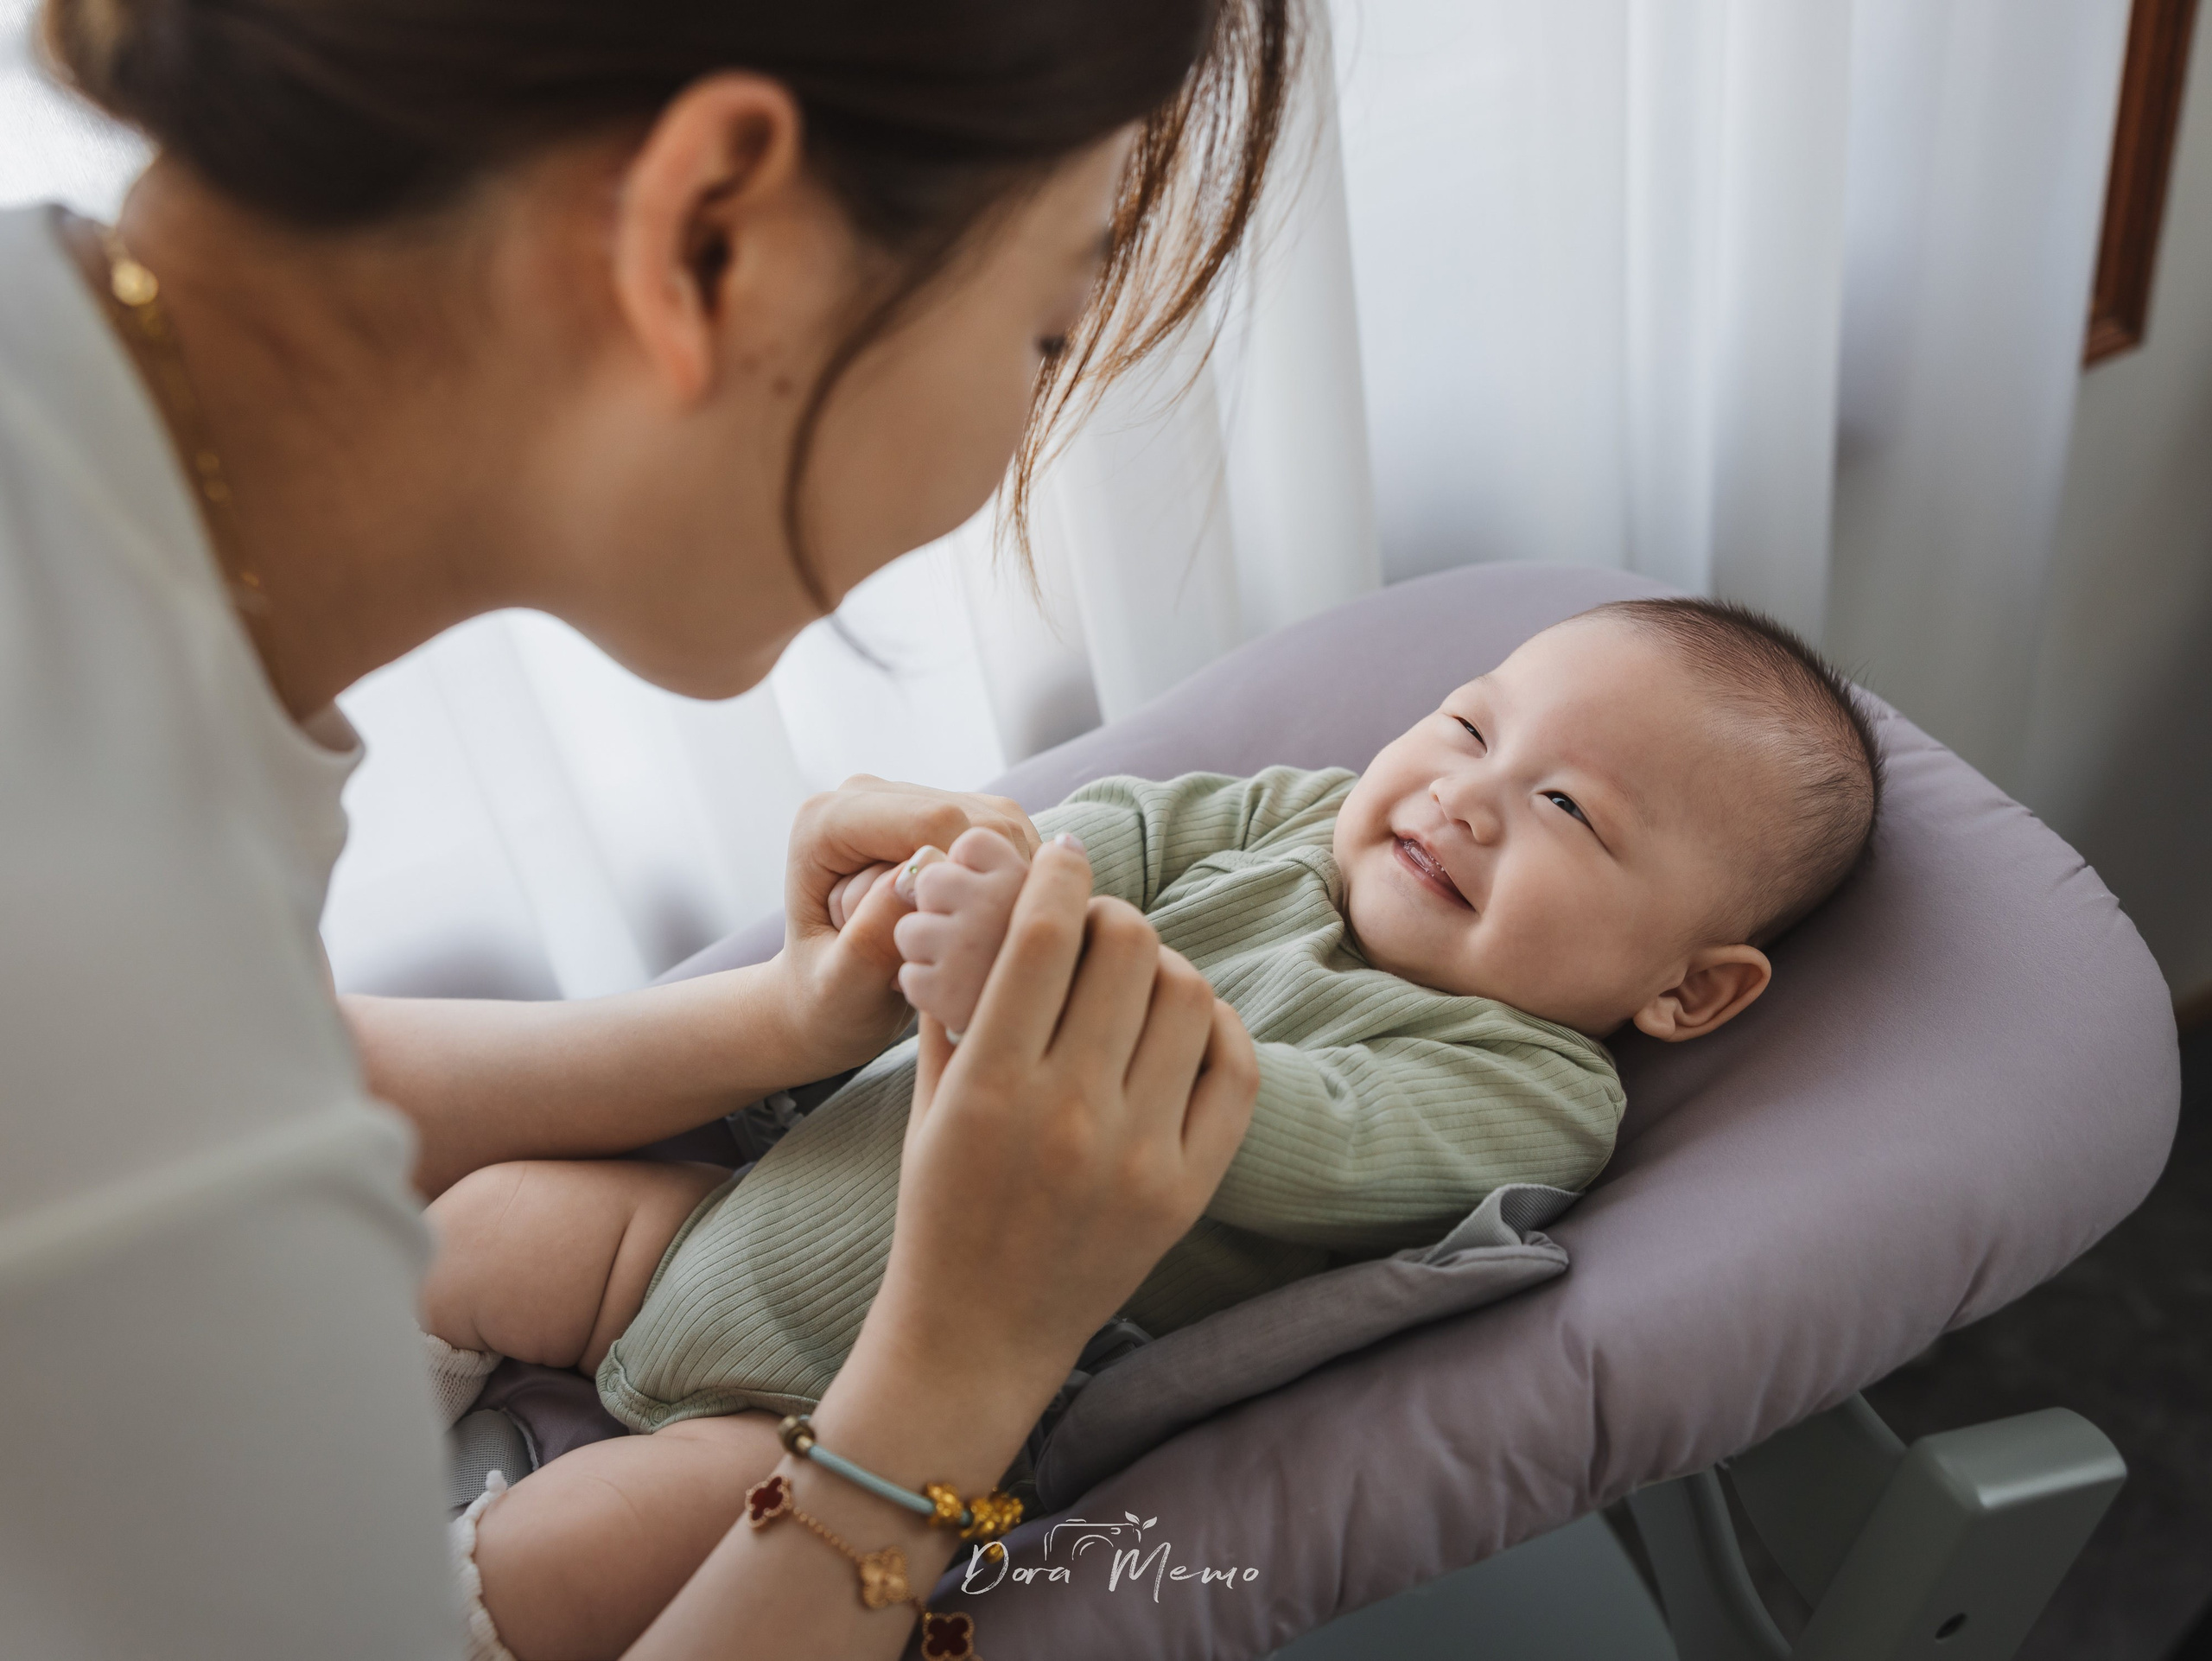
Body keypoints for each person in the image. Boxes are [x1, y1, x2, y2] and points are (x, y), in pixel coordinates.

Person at [0, 1, 1297, 1656]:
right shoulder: (94, 948)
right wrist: (963, 1363)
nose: (1011, 442)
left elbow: (256, 1057)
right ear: (711, 237)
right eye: (1047, 329)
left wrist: (764, 1025)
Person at [419, 595, 1883, 1657]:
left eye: (1565, 805)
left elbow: (1290, 1126)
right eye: (1470, 724)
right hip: (727, 1221)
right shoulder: (1302, 819)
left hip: (828, 1420)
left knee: (566, 1557)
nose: (1466, 796)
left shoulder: (1532, 1087)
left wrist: (1035, 970)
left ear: (1690, 989)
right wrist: (976, 879)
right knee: (478, 1223)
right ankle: (303, 1418)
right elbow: (1115, 832)